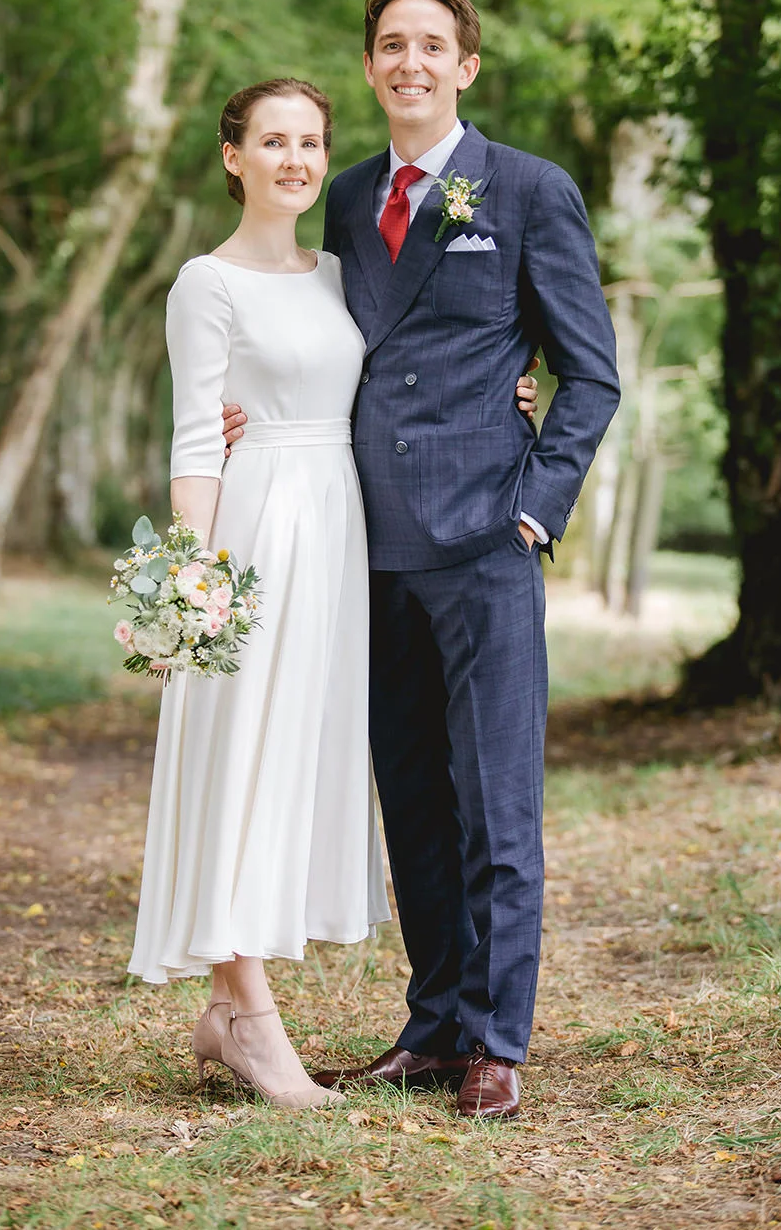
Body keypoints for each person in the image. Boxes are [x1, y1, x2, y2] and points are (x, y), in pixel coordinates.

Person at [227, 0, 619, 1120]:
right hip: (369, 542)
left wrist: (536, 504)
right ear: (369, 65)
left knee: (498, 802)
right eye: (390, 44)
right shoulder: (345, 197)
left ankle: (499, 1041)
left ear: (465, 69)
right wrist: (244, 409)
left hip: (486, 540)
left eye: (430, 46)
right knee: (413, 796)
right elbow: (298, 327)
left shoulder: (529, 190)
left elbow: (588, 374)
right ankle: (437, 1022)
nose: (409, 62)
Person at [128, 76, 539, 1112]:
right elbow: (194, 438)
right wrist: (195, 577)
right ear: (233, 156)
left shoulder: (342, 270)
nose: (296, 162)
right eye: (272, 142)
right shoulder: (203, 284)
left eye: (310, 143)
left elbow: (411, 369)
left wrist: (512, 392)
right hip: (256, 531)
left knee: (294, 762)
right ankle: (251, 1017)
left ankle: (226, 1017)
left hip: (342, 536)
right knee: (237, 759)